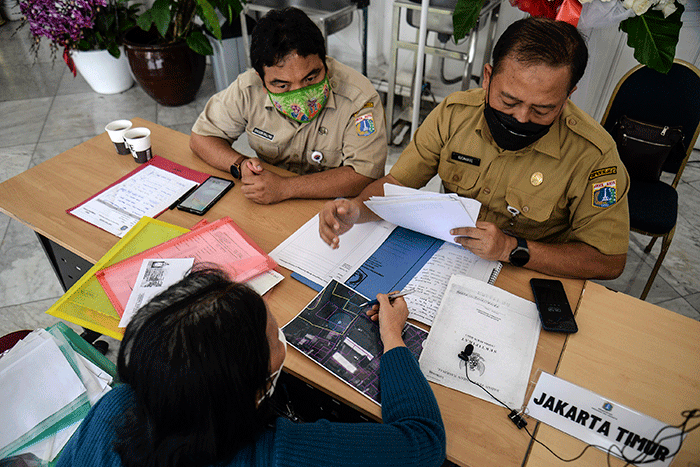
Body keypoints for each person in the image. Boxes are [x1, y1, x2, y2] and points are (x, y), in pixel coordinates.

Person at [319, 17, 629, 280]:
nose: (521, 118)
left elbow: (609, 260)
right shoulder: (455, 114)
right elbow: (397, 184)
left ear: (568, 95)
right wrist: (357, 209)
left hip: (528, 273)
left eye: (543, 109)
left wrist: (512, 248)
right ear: (488, 77)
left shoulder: (593, 155)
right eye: (509, 101)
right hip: (449, 263)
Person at [55, 268, 446, 467]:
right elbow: (424, 442)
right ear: (254, 390)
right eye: (275, 339)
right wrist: (393, 339)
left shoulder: (113, 409)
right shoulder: (279, 454)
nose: (282, 342)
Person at [190, 8, 388, 205]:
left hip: (337, 208)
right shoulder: (248, 88)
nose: (300, 94)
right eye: (282, 85)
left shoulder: (359, 99)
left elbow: (365, 175)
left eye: (311, 78)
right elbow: (202, 137)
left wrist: (286, 187)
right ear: (261, 78)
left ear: (325, 63)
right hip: (271, 205)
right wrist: (240, 165)